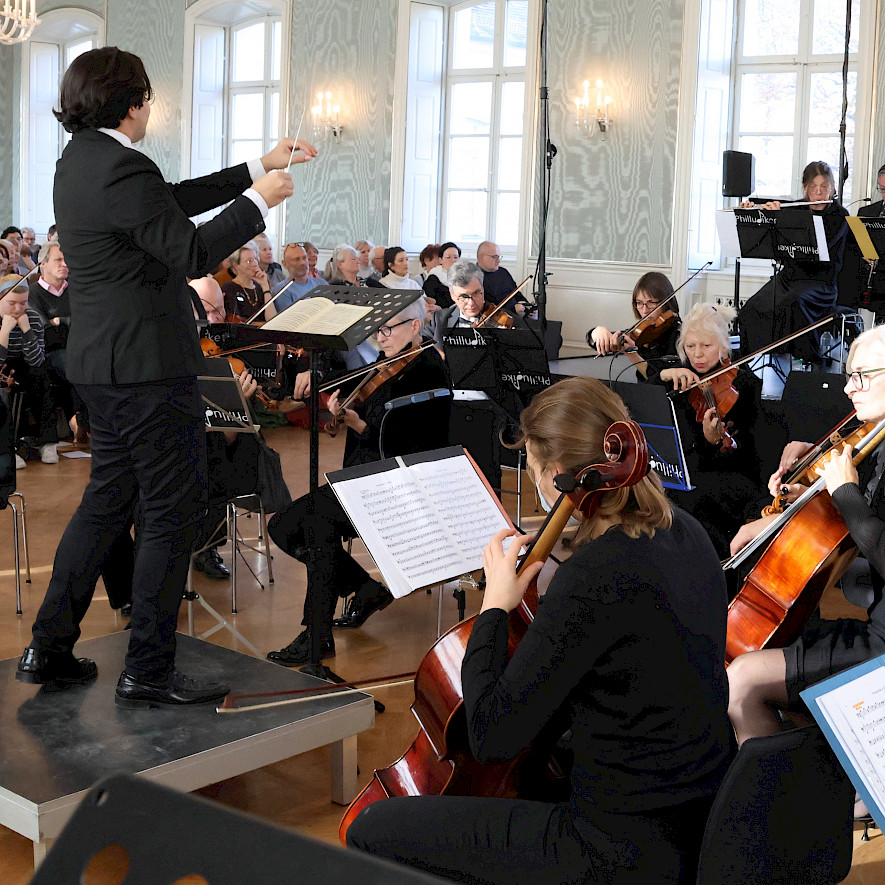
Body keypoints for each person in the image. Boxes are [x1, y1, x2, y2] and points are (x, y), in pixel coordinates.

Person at [15, 46, 316, 707]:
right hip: (148, 369)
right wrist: (258, 201)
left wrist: (252, 167)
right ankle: (148, 665)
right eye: (147, 98)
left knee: (105, 503)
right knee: (169, 512)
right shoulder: (121, 163)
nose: (150, 109)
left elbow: (169, 200)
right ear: (134, 102)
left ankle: (49, 644)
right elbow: (191, 249)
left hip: (105, 366)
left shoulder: (80, 160)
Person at [346, 376, 734, 884]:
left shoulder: (594, 577)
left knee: (371, 829)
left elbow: (491, 736)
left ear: (556, 474)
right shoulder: (687, 530)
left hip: (614, 848)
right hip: (699, 821)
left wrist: (494, 607)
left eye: (533, 472)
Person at [266, 295, 450, 664]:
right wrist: (340, 414)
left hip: (398, 485)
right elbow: (358, 420)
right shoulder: (383, 365)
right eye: (377, 331)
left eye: (387, 329)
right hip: (360, 479)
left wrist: (357, 422)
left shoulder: (428, 369)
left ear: (414, 327)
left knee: (316, 524)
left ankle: (316, 635)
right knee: (284, 526)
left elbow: (410, 443)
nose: (380, 338)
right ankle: (363, 589)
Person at [727, 323, 885, 745]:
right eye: (850, 376)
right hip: (875, 628)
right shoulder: (876, 443)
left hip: (882, 645)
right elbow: (855, 525)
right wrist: (807, 500)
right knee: (759, 655)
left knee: (742, 680)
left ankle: (775, 803)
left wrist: (846, 492)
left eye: (862, 376)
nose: (850, 389)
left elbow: (874, 536)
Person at [649, 303, 764, 559]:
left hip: (728, 474)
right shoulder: (679, 380)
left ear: (723, 345)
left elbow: (749, 453)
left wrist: (712, 441)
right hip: (684, 471)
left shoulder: (745, 384)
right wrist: (664, 374)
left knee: (693, 499)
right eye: (690, 347)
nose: (698, 355)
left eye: (707, 346)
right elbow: (646, 406)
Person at [737, 160, 849, 361]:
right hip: (788, 279)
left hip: (820, 285)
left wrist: (786, 215)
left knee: (793, 304)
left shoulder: (839, 215)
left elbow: (820, 247)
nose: (818, 193)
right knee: (750, 309)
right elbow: (773, 236)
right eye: (813, 187)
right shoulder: (795, 209)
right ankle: (749, 364)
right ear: (805, 188)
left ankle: (805, 362)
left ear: (832, 188)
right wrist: (755, 211)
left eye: (824, 187)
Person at [28, 241, 88, 443]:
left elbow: (86, 322)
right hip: (51, 353)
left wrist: (60, 321)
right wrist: (67, 324)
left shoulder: (76, 290)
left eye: (66, 260)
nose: (64, 264)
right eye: (58, 259)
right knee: (72, 365)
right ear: (43, 263)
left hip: (80, 348)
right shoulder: (33, 293)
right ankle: (81, 421)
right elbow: (46, 333)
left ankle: (79, 420)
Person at [0, 273, 60, 466]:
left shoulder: (32, 317)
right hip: (3, 365)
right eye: (12, 303)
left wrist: (27, 331)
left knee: (41, 377)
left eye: (23, 303)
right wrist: (4, 333)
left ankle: (47, 442)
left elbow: (36, 360)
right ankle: (8, 447)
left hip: (26, 364)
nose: (18, 309)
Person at [588, 271, 682, 380]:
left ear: (665, 302)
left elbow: (659, 378)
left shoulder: (679, 335)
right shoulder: (642, 332)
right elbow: (595, 340)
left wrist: (634, 354)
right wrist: (598, 332)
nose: (645, 310)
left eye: (651, 303)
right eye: (639, 303)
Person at [427, 260, 495, 345]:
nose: (471, 303)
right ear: (452, 295)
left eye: (476, 293)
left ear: (483, 289)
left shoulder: (503, 320)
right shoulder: (437, 320)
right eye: (463, 296)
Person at [476, 240, 528, 315]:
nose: (498, 261)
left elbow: (516, 293)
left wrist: (526, 304)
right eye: (494, 257)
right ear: (481, 257)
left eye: (499, 257)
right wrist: (513, 308)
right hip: (500, 317)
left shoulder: (503, 272)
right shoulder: (474, 277)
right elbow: (486, 307)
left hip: (517, 312)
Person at [222, 241, 270, 321]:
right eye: (249, 261)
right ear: (236, 265)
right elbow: (235, 320)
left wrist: (265, 287)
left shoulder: (259, 286)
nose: (255, 264)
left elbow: (271, 319)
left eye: (255, 259)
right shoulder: (229, 287)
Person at [271, 242, 325, 311]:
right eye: (296, 259)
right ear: (284, 264)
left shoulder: (321, 284)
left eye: (304, 258)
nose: (302, 263)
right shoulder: (282, 290)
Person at [422, 241, 460, 309]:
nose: (452, 260)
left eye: (455, 257)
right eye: (448, 257)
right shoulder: (433, 278)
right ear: (440, 260)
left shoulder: (464, 277)